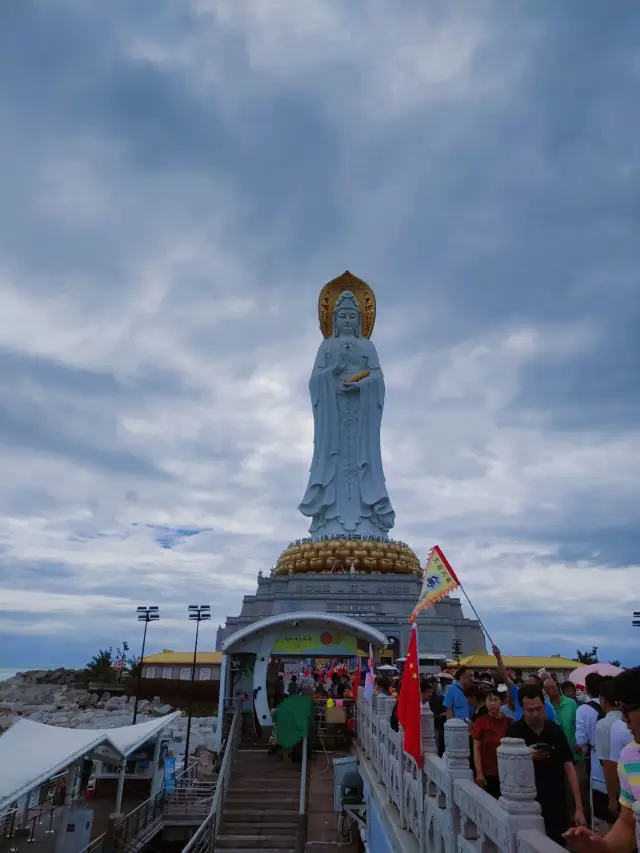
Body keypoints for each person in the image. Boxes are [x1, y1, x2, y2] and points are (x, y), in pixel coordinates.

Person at [565, 667, 640, 853]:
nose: (623, 719)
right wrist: (602, 845)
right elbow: (629, 824)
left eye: (626, 709)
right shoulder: (629, 756)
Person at [507, 684, 585, 845]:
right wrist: (526, 757)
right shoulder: (513, 733)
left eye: (539, 709)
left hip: (556, 801)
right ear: (522, 709)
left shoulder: (554, 730)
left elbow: (568, 766)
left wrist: (578, 807)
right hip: (525, 804)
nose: (535, 714)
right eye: (530, 710)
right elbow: (506, 770)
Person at [493, 646, 558, 723]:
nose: (524, 684)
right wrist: (498, 658)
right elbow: (504, 676)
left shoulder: (548, 708)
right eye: (525, 682)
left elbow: (554, 727)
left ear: (537, 688)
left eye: (528, 683)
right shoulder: (518, 694)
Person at [576, 673, 606, 823]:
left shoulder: (583, 710)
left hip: (596, 763)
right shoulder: (614, 706)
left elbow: (581, 742)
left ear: (586, 688)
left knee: (599, 807)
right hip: (618, 762)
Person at [594, 679, 624, 824]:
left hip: (614, 788)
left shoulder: (604, 725)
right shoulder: (628, 719)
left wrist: (612, 798)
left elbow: (607, 763)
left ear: (603, 700)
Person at [472, 688, 510, 799]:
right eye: (489, 700)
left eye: (495, 700)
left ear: (501, 702)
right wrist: (479, 773)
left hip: (506, 772)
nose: (492, 703)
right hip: (487, 772)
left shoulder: (509, 722)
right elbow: (476, 749)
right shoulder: (481, 721)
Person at [422, 678, 446, 756]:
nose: (431, 694)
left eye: (432, 692)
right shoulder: (421, 706)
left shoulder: (433, 701)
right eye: (429, 692)